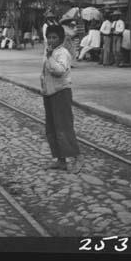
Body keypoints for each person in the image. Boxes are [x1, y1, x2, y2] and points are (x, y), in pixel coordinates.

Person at [40, 23, 83, 173]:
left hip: (61, 93)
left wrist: (49, 57)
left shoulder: (62, 53)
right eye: (49, 37)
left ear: (61, 39)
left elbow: (59, 70)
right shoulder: (49, 51)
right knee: (52, 129)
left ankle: (77, 158)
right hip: (49, 93)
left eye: (54, 38)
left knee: (64, 127)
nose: (51, 40)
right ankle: (60, 160)